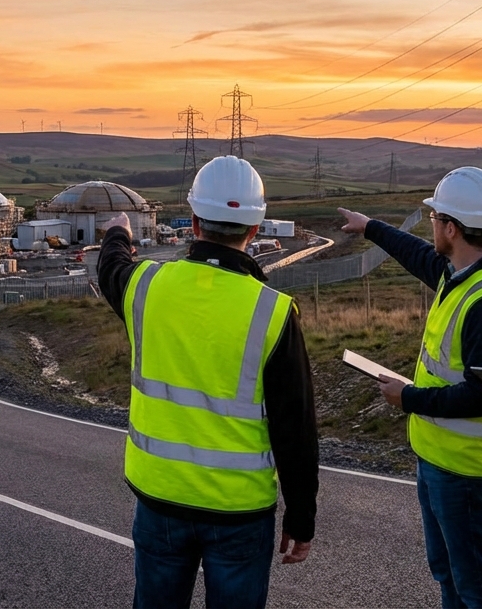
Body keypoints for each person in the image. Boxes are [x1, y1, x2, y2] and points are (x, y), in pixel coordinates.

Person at [97, 155, 318, 609]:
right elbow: (295, 428)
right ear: (254, 228)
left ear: (194, 221)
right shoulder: (273, 312)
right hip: (239, 511)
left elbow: (111, 269)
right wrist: (301, 516)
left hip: (160, 497)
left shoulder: (146, 286)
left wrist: (119, 232)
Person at [338, 166, 482, 609]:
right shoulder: (460, 273)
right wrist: (370, 227)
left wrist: (409, 398)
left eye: (435, 218)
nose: (431, 226)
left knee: (477, 587)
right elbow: (418, 255)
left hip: (467, 469)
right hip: (441, 458)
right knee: (450, 575)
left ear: (452, 228)